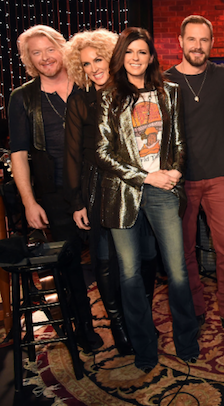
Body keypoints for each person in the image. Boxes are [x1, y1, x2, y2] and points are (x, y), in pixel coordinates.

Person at [96, 27, 199, 372]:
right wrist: (145, 176)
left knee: (178, 271)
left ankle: (187, 341)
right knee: (129, 274)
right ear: (121, 57)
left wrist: (174, 172)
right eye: (129, 52)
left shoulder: (169, 92)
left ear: (152, 57)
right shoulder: (110, 95)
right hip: (123, 193)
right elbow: (101, 152)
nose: (136, 58)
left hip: (163, 192)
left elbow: (180, 143)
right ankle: (144, 351)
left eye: (142, 52)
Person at [7, 25, 103, 353]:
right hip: (55, 194)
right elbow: (18, 154)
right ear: (28, 60)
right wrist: (29, 202)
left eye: (50, 49)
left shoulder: (89, 83)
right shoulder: (22, 98)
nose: (45, 57)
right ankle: (85, 330)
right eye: (36, 52)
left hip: (99, 188)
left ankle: (122, 325)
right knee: (70, 265)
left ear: (63, 48)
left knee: (112, 262)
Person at [63, 29, 158, 355]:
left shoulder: (133, 93)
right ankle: (120, 329)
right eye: (86, 64)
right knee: (105, 263)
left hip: (137, 185)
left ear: (112, 57)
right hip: (97, 188)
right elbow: (72, 154)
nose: (93, 68)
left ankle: (141, 321)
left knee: (146, 259)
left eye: (98, 59)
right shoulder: (80, 101)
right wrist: (77, 201)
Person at [163, 16, 224, 339]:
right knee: (183, 251)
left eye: (204, 40)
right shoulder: (164, 81)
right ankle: (195, 308)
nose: (198, 46)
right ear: (180, 41)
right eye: (192, 39)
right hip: (178, 180)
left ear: (212, 43)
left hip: (218, 176)